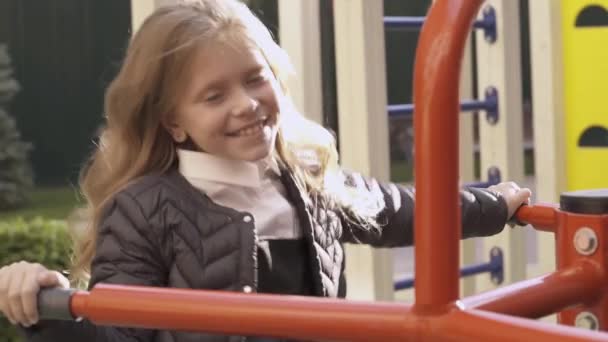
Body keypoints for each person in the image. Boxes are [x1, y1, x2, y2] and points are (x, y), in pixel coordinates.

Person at [0, 0, 531, 341]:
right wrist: (46, 304)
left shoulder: (306, 180)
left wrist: (494, 206)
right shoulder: (145, 208)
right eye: (214, 96)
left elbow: (401, 209)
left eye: (256, 79)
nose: (247, 104)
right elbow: (119, 326)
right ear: (174, 122)